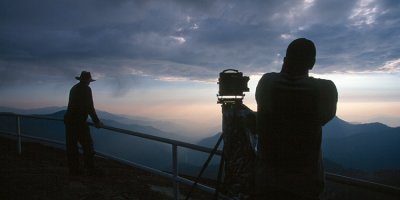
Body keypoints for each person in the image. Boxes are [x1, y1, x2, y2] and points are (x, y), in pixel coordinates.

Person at [254, 38, 338, 200]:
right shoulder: (325, 89)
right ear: (312, 64)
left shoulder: (267, 83)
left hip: (267, 182)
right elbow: (324, 118)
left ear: (285, 60)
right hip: (305, 185)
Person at [64, 71, 103, 176]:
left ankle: (74, 170)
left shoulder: (74, 88)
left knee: (72, 147)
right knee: (88, 146)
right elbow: (89, 106)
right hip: (79, 122)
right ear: (88, 80)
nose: (90, 83)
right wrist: (96, 121)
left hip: (69, 121)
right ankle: (90, 169)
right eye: (89, 81)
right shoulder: (86, 89)